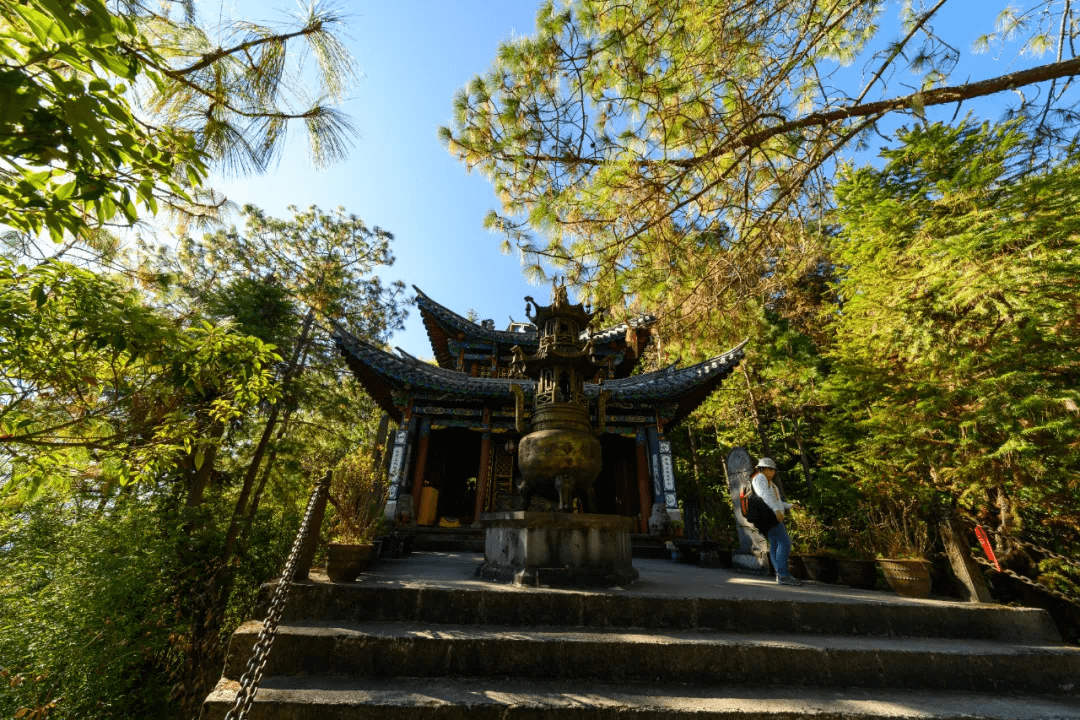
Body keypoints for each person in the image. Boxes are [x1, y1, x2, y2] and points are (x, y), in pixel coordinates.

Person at [752, 457, 802, 586]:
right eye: (772, 470)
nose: (774, 472)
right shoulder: (760, 478)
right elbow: (765, 496)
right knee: (784, 542)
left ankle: (780, 574)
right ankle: (784, 574)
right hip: (770, 517)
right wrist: (776, 510)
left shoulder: (770, 483)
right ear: (766, 469)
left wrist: (789, 506)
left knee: (775, 544)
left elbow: (776, 501)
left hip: (771, 516)